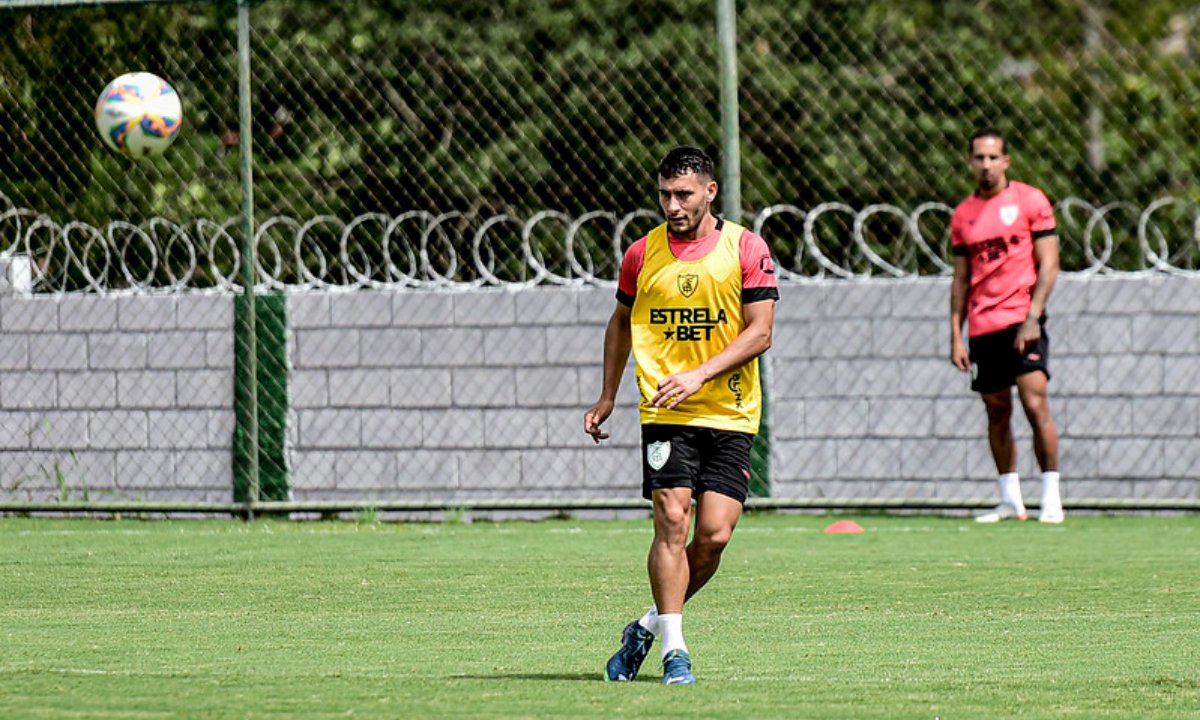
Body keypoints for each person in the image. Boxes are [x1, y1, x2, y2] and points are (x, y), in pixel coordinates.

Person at [584, 146, 778, 685]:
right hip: (665, 411)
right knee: (672, 520)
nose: (673, 205)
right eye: (665, 194)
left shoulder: (746, 247)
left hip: (731, 412)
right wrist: (607, 396)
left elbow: (760, 332)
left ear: (710, 192)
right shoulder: (642, 254)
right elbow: (620, 323)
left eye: (684, 194)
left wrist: (700, 373)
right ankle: (676, 651)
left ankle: (647, 625)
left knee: (713, 536)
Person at [949, 127, 1064, 524]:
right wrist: (955, 335)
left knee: (1035, 403)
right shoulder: (963, 214)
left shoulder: (1030, 200)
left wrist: (1033, 316)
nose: (985, 164)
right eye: (979, 157)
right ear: (970, 162)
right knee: (996, 411)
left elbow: (1050, 264)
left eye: (992, 157)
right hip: (983, 326)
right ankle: (1010, 500)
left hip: (1022, 320)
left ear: (1006, 161)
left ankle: (1051, 496)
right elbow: (961, 279)